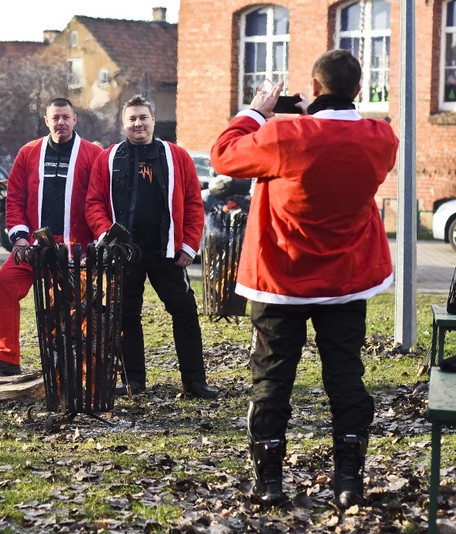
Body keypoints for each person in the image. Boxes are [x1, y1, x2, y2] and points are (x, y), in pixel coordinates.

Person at [210, 49, 398, 507]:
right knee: (346, 377)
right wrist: (306, 113)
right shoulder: (381, 138)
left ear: (314, 88)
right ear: (357, 91)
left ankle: (270, 482)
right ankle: (349, 479)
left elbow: (223, 156)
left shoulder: (284, 133)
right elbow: (340, 132)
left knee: (272, 381)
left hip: (281, 279)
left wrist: (257, 110)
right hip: (345, 280)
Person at [85, 94, 217, 400]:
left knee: (184, 311)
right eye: (131, 119)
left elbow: (195, 204)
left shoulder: (176, 156)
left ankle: (194, 381)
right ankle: (133, 381)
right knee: (125, 315)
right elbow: (94, 204)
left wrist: (189, 244)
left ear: (154, 120)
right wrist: (107, 234)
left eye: (143, 117)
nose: (138, 124)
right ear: (123, 124)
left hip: (167, 252)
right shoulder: (108, 158)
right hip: (124, 254)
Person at [0, 98, 102, 376]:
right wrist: (20, 237)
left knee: (72, 303)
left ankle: (73, 363)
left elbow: (99, 199)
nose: (60, 122)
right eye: (55, 117)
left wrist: (97, 239)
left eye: (65, 117)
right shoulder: (29, 152)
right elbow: (15, 198)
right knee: (4, 285)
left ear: (74, 120)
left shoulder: (92, 153)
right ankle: (7, 358)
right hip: (34, 245)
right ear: (46, 121)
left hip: (75, 247)